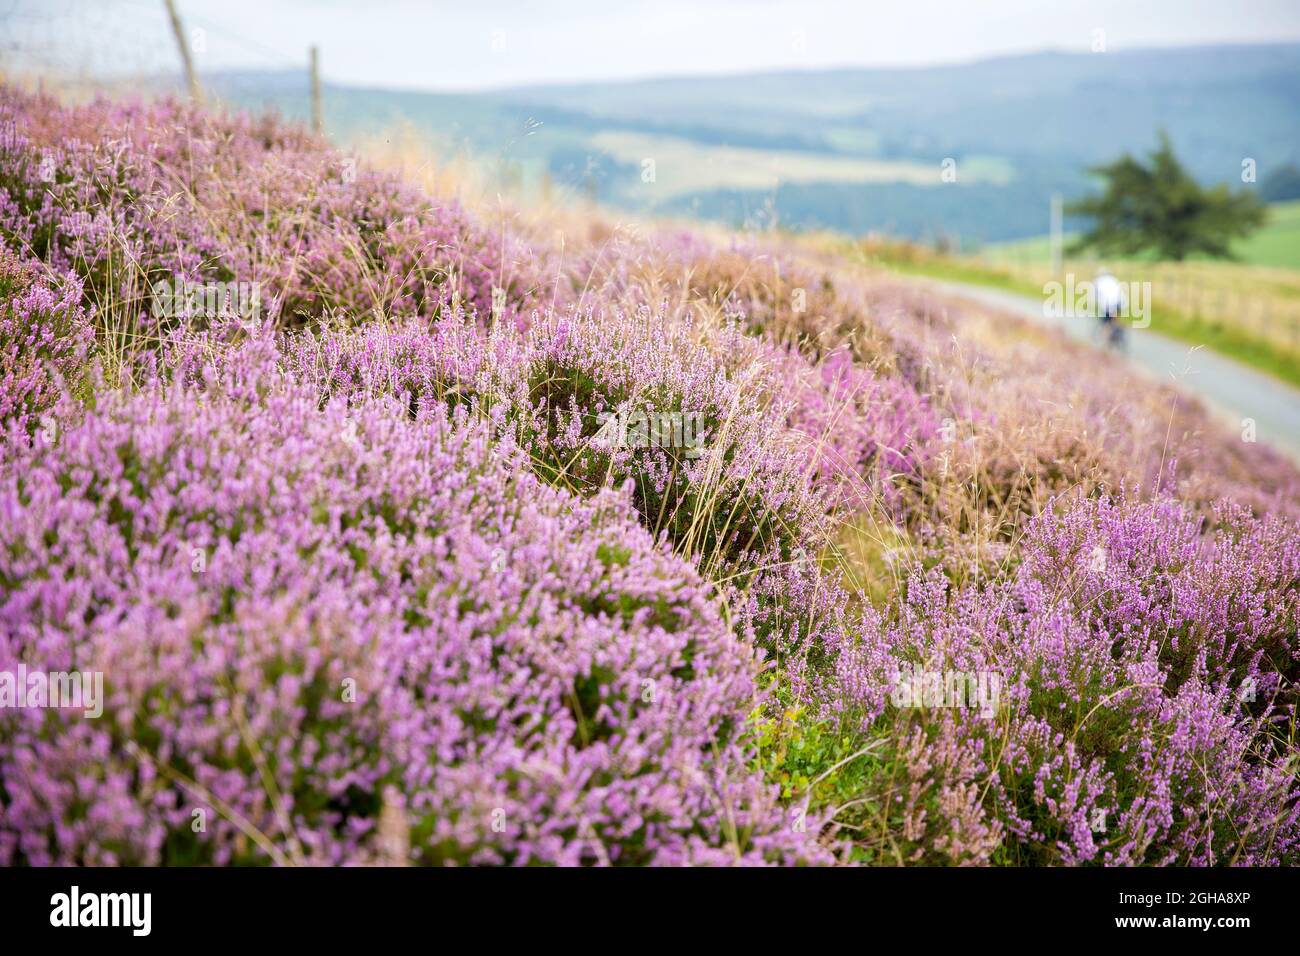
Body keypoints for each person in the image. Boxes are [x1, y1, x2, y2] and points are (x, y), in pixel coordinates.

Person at [1094, 269, 1126, 348]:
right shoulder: (1113, 279)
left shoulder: (1098, 281)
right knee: (1114, 318)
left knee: (1105, 323)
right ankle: (1118, 329)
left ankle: (1104, 343)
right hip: (1120, 301)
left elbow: (1095, 295)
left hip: (1108, 303)